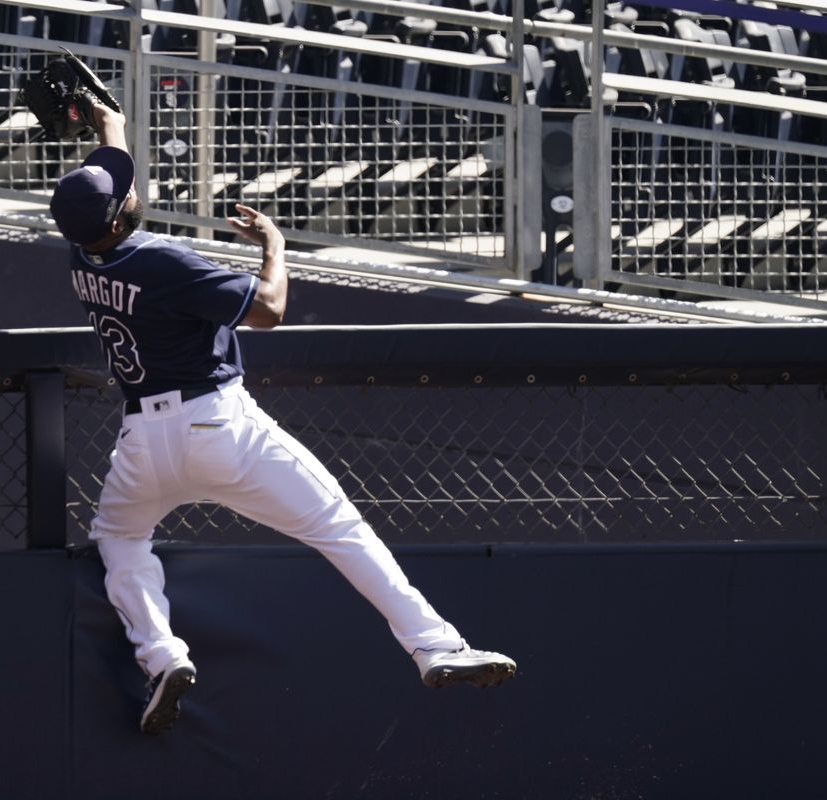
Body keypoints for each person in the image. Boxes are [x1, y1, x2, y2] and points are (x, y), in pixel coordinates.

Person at [50, 101, 516, 736]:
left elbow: (112, 186)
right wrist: (275, 246)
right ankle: (434, 646)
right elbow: (267, 310)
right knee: (338, 527)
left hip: (141, 440)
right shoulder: (162, 260)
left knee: (120, 539)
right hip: (217, 426)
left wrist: (109, 122)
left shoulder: (81, 257)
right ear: (123, 209)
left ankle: (161, 657)